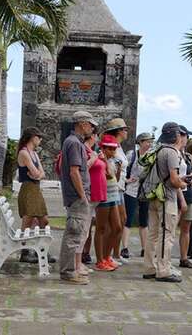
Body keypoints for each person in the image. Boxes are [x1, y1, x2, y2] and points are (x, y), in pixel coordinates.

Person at [142, 122, 188, 283]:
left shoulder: (158, 150)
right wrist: (184, 183)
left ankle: (149, 267)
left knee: (152, 234)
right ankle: (163, 270)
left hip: (153, 195)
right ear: (176, 136)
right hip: (166, 198)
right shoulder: (172, 153)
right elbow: (174, 180)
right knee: (166, 234)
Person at [59, 111, 97, 285]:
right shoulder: (74, 143)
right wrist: (82, 195)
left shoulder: (74, 142)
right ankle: (68, 272)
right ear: (82, 124)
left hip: (76, 196)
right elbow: (74, 171)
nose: (91, 128)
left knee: (76, 232)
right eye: (90, 124)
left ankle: (70, 270)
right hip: (77, 197)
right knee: (74, 233)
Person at [17, 127, 55, 264]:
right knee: (29, 221)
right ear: (32, 137)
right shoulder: (24, 153)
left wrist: (37, 175)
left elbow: (41, 174)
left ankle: (42, 250)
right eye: (39, 137)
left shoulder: (33, 153)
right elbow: (36, 173)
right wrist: (37, 174)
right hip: (28, 189)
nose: (40, 139)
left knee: (43, 220)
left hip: (35, 188)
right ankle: (25, 252)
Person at [76, 130, 107, 276]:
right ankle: (77, 262)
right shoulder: (84, 150)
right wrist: (94, 158)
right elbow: (82, 169)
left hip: (96, 195)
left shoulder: (91, 150)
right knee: (83, 230)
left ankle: (79, 261)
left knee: (86, 229)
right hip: (89, 193)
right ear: (93, 136)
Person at [121, 133, 154, 259]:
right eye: (147, 141)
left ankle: (144, 248)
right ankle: (124, 247)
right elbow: (123, 169)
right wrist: (126, 180)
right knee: (128, 219)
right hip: (132, 190)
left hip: (146, 191)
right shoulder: (132, 155)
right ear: (140, 142)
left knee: (144, 220)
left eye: (150, 142)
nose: (149, 144)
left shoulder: (152, 156)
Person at [94, 134, 122, 272]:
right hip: (103, 196)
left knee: (117, 227)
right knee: (101, 228)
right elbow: (109, 174)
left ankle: (106, 256)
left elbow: (115, 178)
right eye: (110, 149)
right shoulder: (101, 159)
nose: (113, 152)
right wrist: (105, 160)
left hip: (113, 195)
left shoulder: (111, 160)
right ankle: (100, 260)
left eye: (114, 149)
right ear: (103, 149)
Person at [105, 118, 129, 264]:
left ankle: (115, 253)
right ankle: (108, 255)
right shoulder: (112, 146)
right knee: (114, 224)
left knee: (122, 220)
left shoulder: (119, 147)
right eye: (125, 130)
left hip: (120, 187)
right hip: (113, 187)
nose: (127, 132)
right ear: (119, 131)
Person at [177, 126, 192, 269]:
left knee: (187, 228)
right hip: (176, 193)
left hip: (189, 193)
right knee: (169, 227)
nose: (186, 139)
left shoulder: (188, 156)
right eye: (184, 136)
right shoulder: (172, 154)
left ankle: (184, 257)